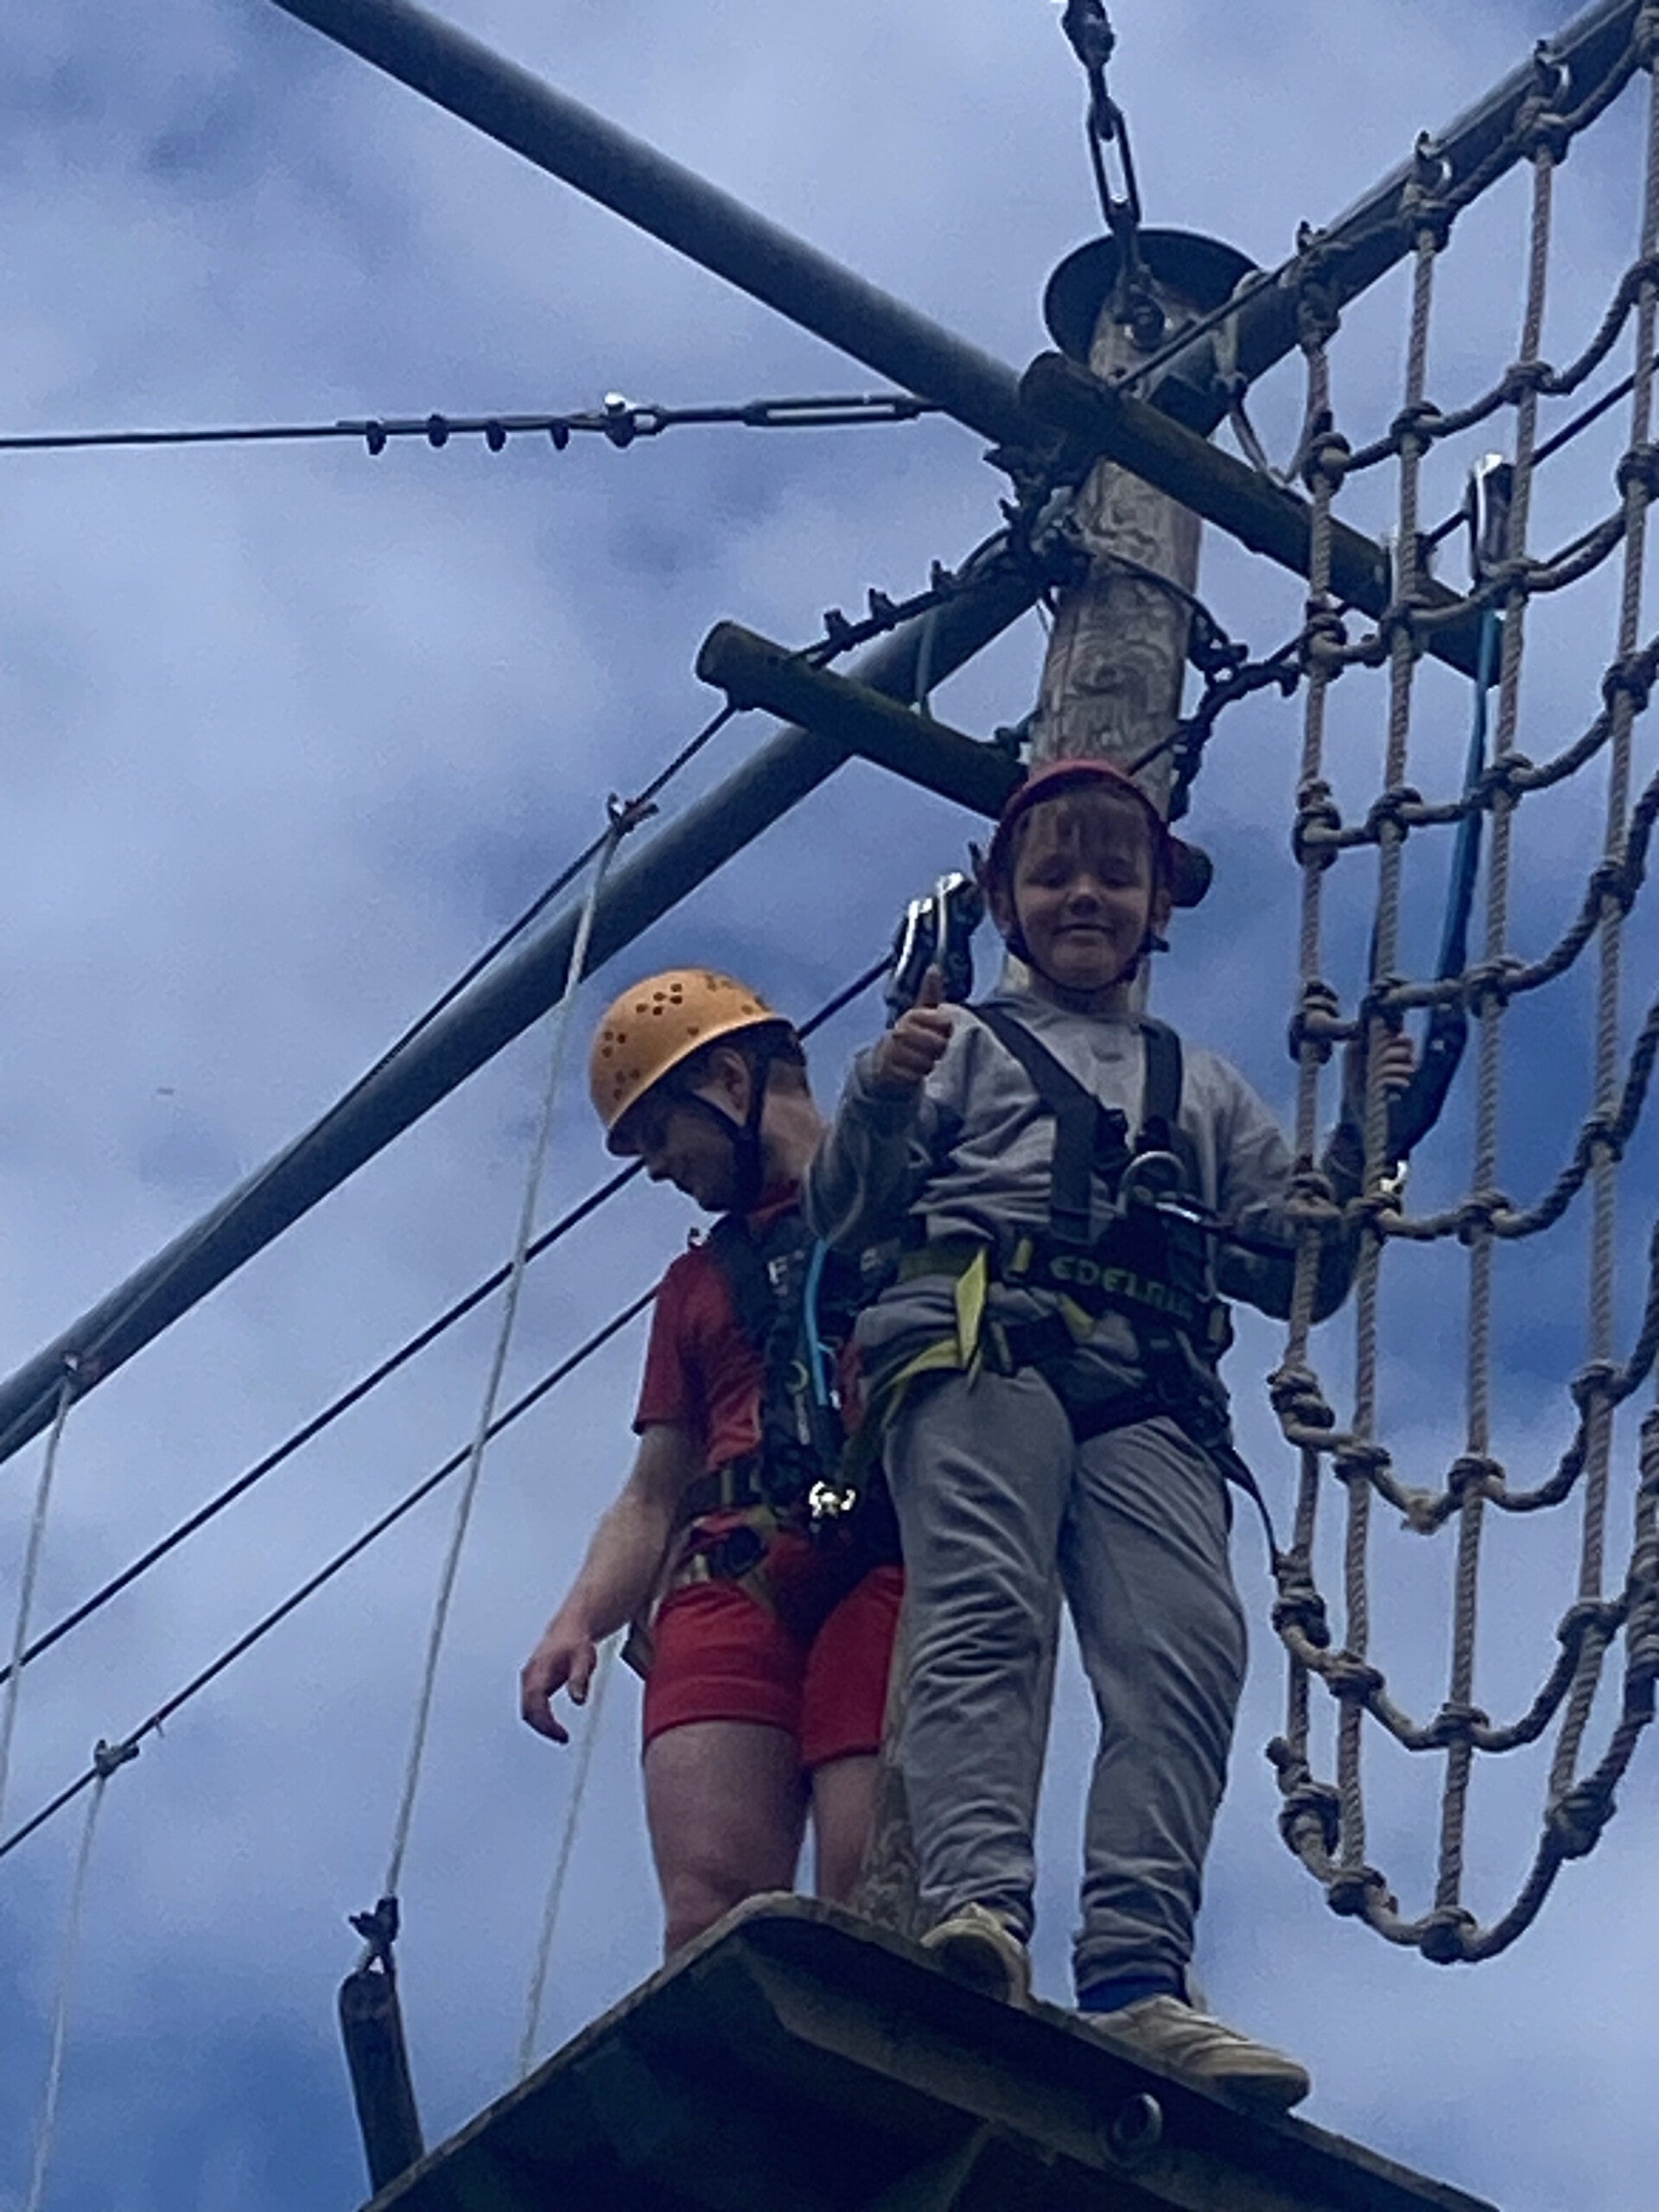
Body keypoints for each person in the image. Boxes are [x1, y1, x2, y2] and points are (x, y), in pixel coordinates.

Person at [805, 759, 1413, 2112]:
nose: (1085, 896)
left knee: (1186, 1649)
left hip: (1148, 1378)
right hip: (982, 1336)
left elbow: (1292, 1265)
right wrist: (887, 1089)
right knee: (986, 1609)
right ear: (1007, 905)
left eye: (1115, 877)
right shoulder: (958, 1044)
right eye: (1055, 875)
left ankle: (1141, 1972)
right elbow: (849, 1214)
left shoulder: (1200, 1087)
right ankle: (977, 1907)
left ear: (1156, 911)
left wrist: (1372, 1138)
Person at [520, 969, 901, 1958]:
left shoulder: (908, 1197)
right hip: (734, 1575)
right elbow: (655, 1489)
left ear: (730, 1082)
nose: (657, 1168)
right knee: (708, 1916)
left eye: (660, 1134)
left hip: (894, 1555)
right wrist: (580, 1616)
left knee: (877, 1897)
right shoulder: (694, 1285)